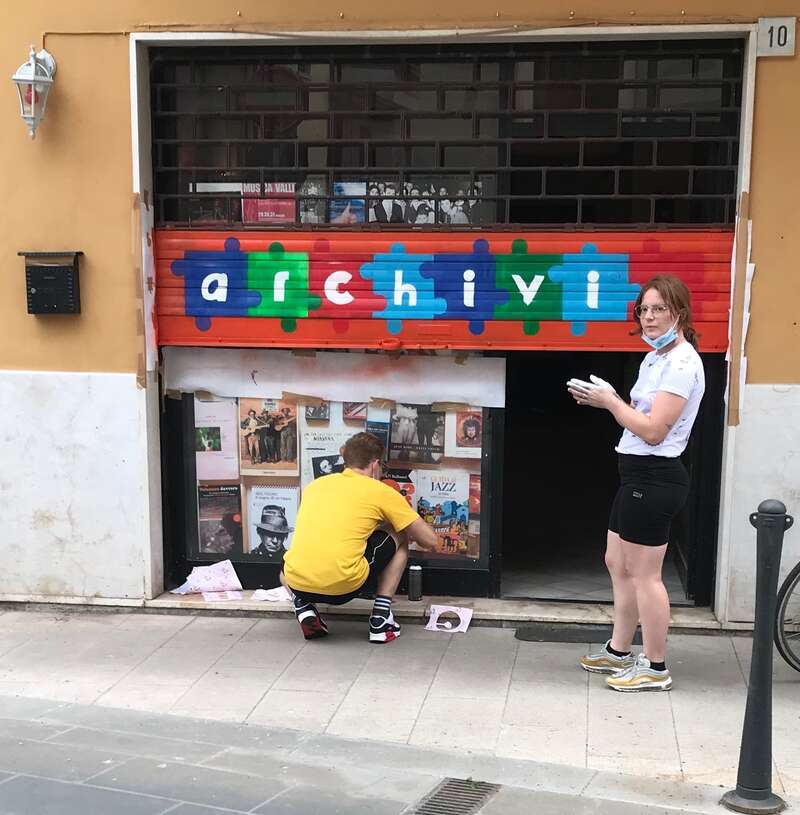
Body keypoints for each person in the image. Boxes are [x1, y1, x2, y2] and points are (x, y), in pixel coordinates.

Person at [568, 275, 705, 692]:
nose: (648, 317)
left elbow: (653, 431)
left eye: (658, 309)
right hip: (635, 475)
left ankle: (656, 666)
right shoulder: (655, 359)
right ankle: (619, 650)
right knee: (617, 562)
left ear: (679, 312)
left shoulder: (681, 364)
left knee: (646, 575)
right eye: (643, 309)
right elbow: (640, 415)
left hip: (655, 476)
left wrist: (610, 402)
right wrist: (609, 399)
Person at [281, 432, 438, 643]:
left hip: (298, 584)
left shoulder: (315, 486)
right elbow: (429, 541)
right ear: (375, 464)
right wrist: (397, 518)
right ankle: (381, 620)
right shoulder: (380, 491)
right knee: (400, 533)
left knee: (288, 564)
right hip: (344, 588)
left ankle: (303, 607)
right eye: (382, 466)